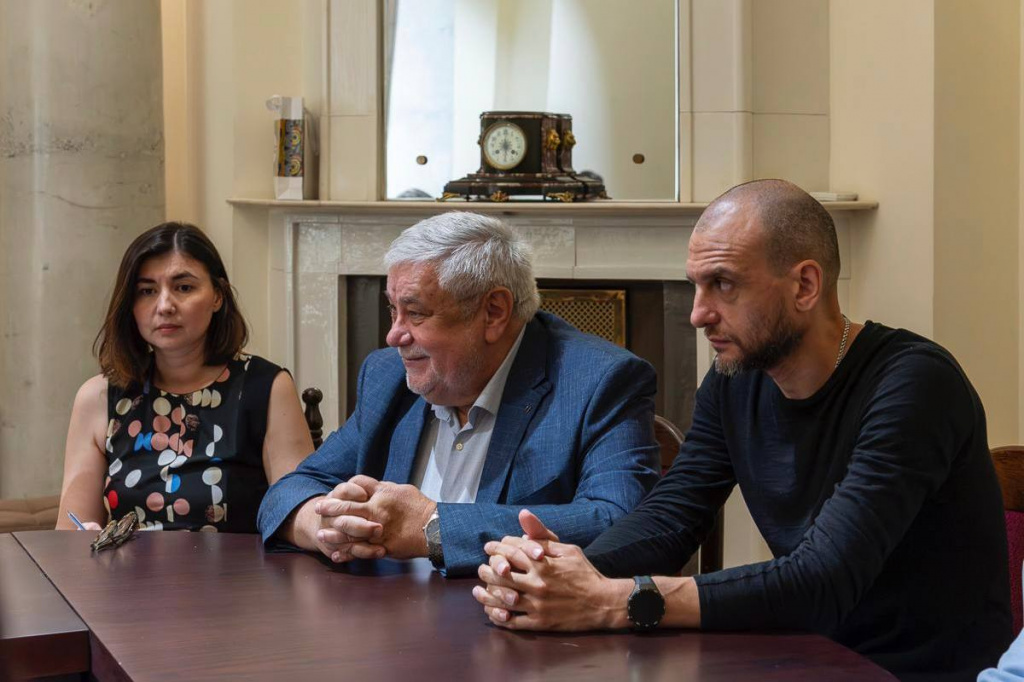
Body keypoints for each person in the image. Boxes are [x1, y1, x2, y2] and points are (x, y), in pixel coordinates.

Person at [472, 180, 1012, 682]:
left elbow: (822, 579)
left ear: (805, 285)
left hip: (914, 672)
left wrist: (617, 600)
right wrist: (555, 571)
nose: (698, 314)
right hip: (803, 657)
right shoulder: (737, 381)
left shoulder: (915, 383)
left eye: (723, 284)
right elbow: (673, 515)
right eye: (696, 286)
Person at [257, 211, 660, 577]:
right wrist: (328, 525)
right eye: (393, 310)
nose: (394, 335)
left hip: (513, 624)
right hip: (385, 620)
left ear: (494, 312)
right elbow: (290, 491)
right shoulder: (387, 376)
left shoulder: (598, 382)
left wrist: (432, 528)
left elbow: (621, 524)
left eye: (416, 313)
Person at [57, 222, 314, 533]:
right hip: (126, 567)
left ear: (217, 296)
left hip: (238, 566)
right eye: (147, 291)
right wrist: (85, 538)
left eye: (184, 288)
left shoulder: (267, 387)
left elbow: (298, 515)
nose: (165, 306)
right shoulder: (99, 397)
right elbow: (70, 533)